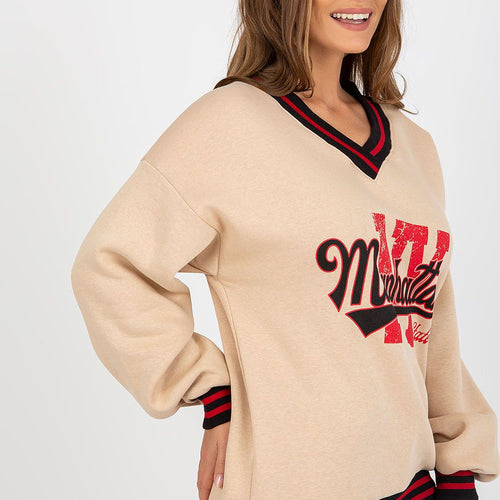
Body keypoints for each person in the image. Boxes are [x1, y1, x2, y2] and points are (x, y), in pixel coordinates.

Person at [70, 0, 500, 499]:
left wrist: (458, 468)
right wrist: (208, 388)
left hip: (411, 487)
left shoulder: (413, 144)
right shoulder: (228, 124)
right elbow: (110, 264)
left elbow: (428, 325)